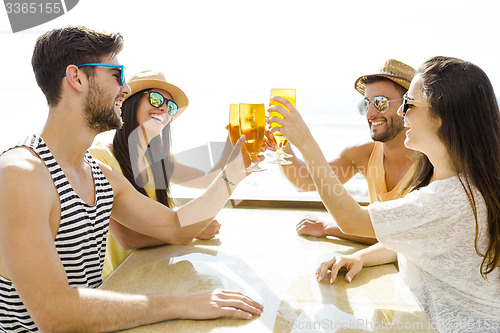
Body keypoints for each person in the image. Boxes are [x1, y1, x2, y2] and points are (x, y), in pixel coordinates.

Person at [0, 26, 262, 332]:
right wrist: (179, 303)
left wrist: (237, 169)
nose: (125, 89)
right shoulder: (21, 175)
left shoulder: (99, 174)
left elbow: (176, 228)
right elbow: (56, 314)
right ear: (77, 78)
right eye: (116, 75)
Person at [268, 56, 500, 332]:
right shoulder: (458, 178)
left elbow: (353, 220)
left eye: (408, 104)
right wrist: (362, 257)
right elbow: (417, 233)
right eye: (365, 104)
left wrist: (305, 141)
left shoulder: (447, 197)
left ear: (442, 115)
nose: (402, 114)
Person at [90, 70, 229, 280]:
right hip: (120, 285)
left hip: (156, 276)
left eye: (170, 106)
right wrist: (190, 231)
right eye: (156, 98)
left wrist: (234, 144)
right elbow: (127, 238)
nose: (164, 108)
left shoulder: (159, 162)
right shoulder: (101, 158)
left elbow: (211, 179)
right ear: (131, 102)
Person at [274, 59, 416, 245]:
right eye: (366, 104)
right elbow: (304, 181)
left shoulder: (434, 163)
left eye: (380, 103)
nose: (369, 114)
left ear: (407, 106)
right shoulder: (363, 154)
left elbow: (405, 238)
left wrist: (329, 228)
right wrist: (280, 142)